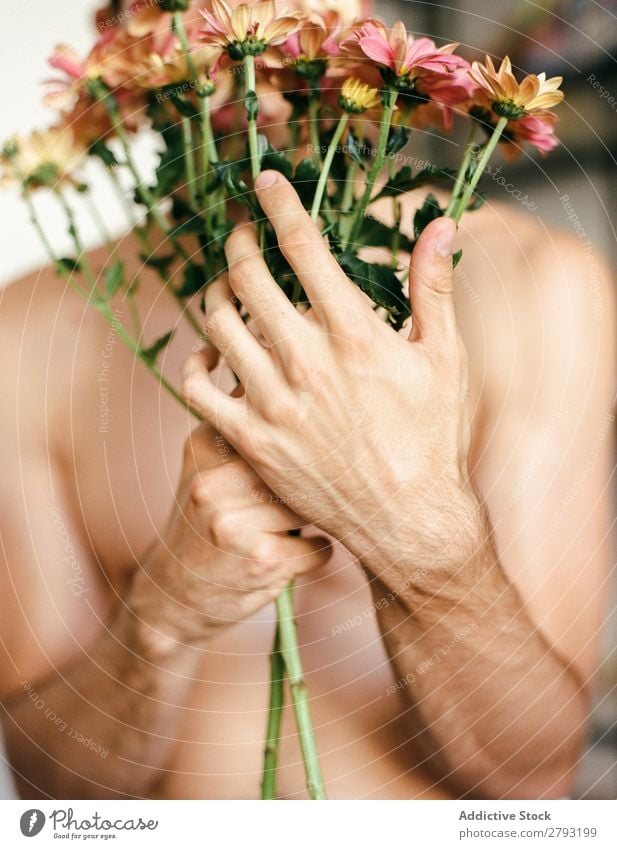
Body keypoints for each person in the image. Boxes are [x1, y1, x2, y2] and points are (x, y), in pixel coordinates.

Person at [0, 136, 614, 799]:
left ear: (367, 25)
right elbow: (48, 783)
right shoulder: (33, 323)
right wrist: (163, 613)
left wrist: (407, 528)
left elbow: (531, 776)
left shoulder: (534, 278)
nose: (240, 38)